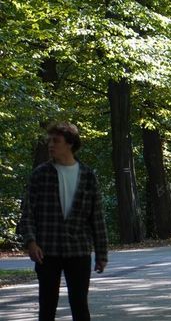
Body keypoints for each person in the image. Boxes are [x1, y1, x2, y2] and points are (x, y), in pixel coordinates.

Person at [17, 121, 108, 321]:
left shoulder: (87, 176)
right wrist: (31, 242)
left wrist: (101, 254)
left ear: (70, 144)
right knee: (47, 306)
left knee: (80, 305)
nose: (50, 145)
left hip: (78, 250)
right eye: (49, 140)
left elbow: (97, 217)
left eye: (55, 141)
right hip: (47, 250)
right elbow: (28, 213)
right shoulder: (40, 175)